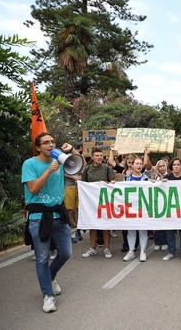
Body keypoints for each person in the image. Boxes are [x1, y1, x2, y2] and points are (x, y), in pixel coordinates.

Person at [22, 132, 80, 312]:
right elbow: (33, 188)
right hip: (39, 218)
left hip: (58, 214)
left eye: (53, 142)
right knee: (42, 257)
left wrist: (72, 150)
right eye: (46, 143)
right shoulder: (30, 164)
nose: (50, 145)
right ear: (38, 147)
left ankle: (51, 275)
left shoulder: (62, 161)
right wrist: (49, 170)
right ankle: (48, 295)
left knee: (66, 253)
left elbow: (78, 165)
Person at [81, 147, 116, 259]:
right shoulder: (87, 169)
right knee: (93, 225)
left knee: (106, 225)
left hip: (104, 200)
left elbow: (112, 182)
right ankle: (92, 248)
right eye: (97, 155)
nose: (99, 157)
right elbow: (83, 184)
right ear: (92, 157)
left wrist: (109, 183)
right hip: (91, 202)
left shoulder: (107, 168)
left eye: (101, 155)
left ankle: (106, 248)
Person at [162, 158, 181, 262]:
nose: (176, 166)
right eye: (174, 165)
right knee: (170, 232)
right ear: (171, 166)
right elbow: (157, 186)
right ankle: (171, 252)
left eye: (178, 164)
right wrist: (161, 182)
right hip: (171, 210)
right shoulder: (167, 177)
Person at [122, 157, 150, 262]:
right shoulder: (126, 179)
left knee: (143, 230)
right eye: (137, 163)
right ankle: (131, 251)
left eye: (140, 164)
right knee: (131, 230)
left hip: (143, 208)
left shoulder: (146, 179)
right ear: (132, 165)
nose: (139, 165)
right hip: (130, 208)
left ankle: (143, 251)